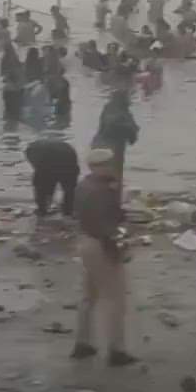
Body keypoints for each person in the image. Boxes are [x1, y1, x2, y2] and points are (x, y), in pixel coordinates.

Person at [70, 149, 137, 366]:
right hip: (99, 245)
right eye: (110, 164)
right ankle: (116, 350)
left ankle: (82, 343)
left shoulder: (83, 185)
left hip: (84, 241)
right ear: (103, 166)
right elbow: (106, 228)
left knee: (89, 295)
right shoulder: (103, 191)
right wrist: (120, 251)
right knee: (115, 298)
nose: (113, 168)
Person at [93, 90, 139, 184]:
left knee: (100, 178)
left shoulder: (107, 108)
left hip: (98, 146)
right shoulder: (124, 114)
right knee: (115, 178)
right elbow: (133, 138)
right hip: (113, 149)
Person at [26, 139, 80, 217]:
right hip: (67, 156)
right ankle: (67, 211)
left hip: (56, 157)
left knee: (41, 186)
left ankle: (43, 209)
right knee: (69, 188)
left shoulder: (33, 151)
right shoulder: (34, 150)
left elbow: (40, 182)